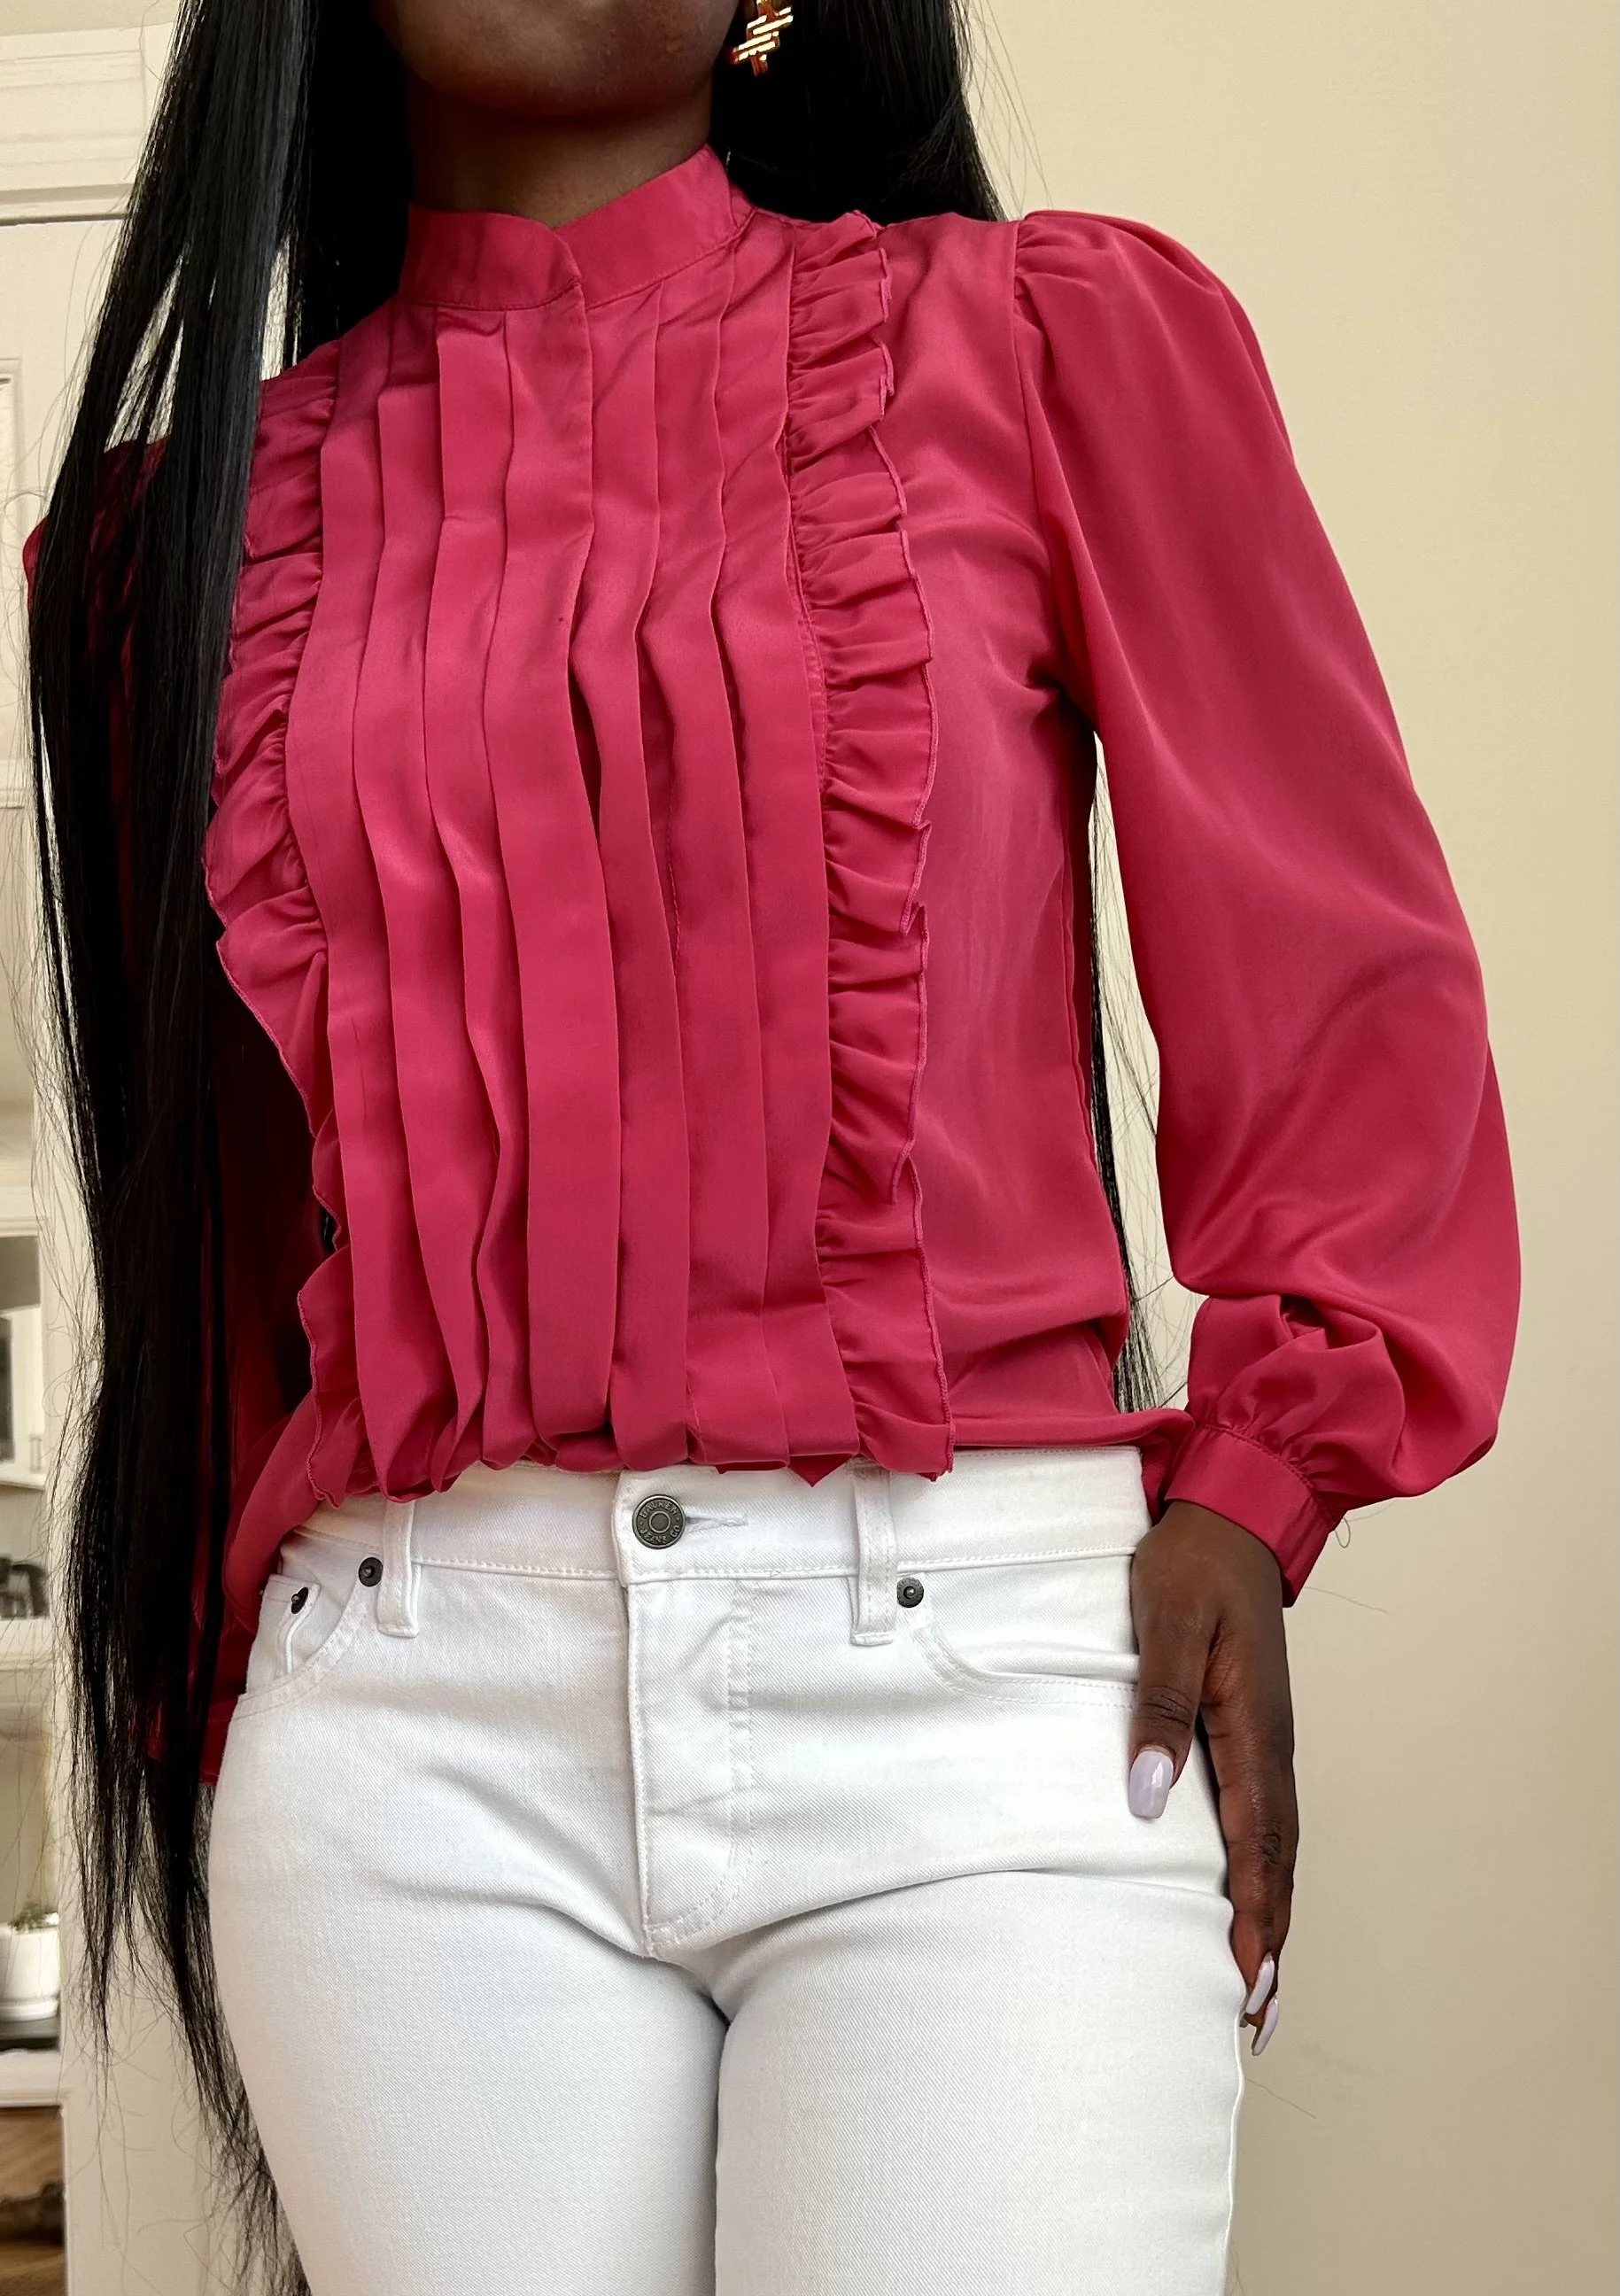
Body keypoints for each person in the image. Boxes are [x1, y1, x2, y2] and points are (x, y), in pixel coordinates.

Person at [21, 0, 1520, 2290]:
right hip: (410, 1737)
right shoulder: (175, 545)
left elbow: (1340, 972)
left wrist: (1259, 1477)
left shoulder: (1043, 350)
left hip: (978, 1690)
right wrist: (232, 1700)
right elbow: (225, 1267)